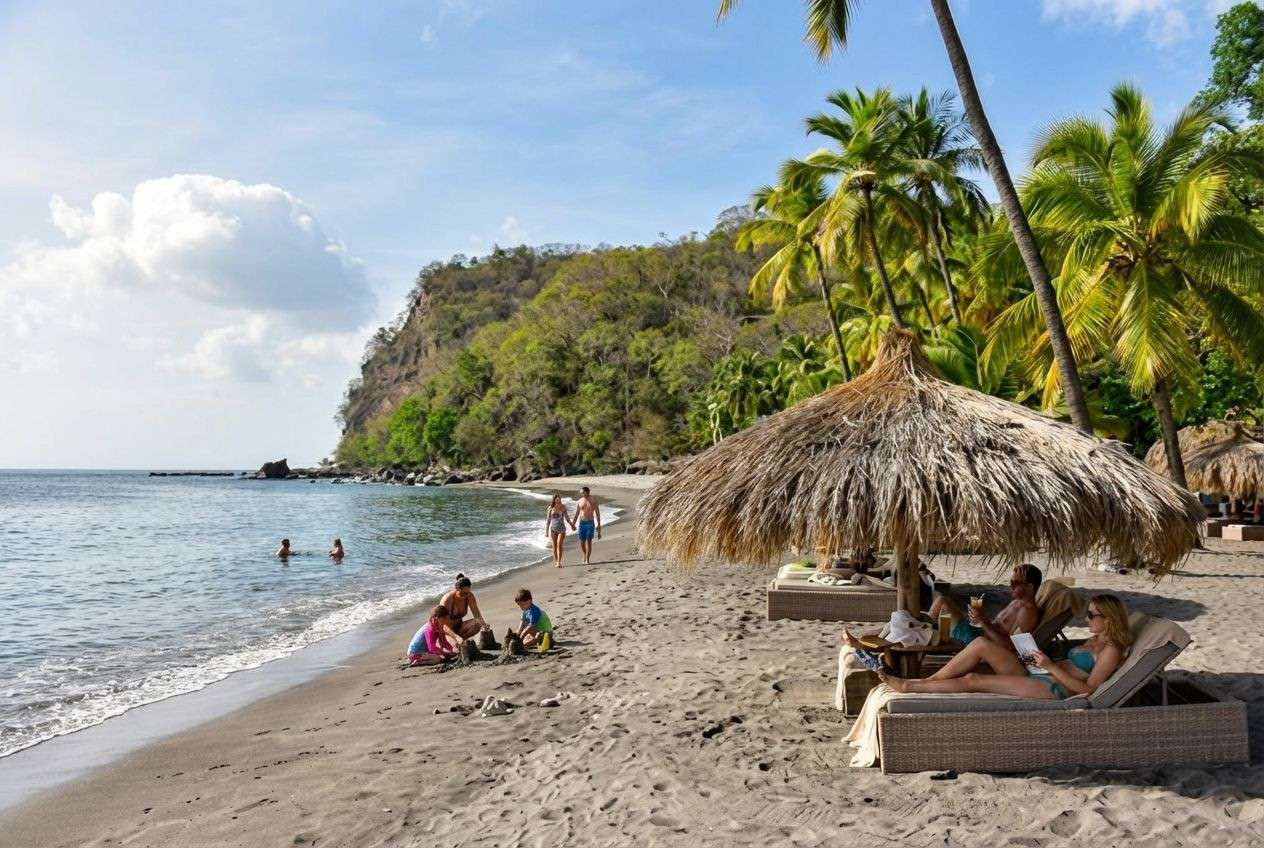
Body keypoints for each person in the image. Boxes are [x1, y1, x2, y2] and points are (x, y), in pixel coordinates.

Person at [880, 594, 1130, 699]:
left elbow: (1089, 691)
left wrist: (1050, 666)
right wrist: (1039, 659)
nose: (1086, 618)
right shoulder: (1095, 640)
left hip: (1053, 688)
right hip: (1040, 671)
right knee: (979, 643)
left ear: (1108, 618)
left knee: (974, 679)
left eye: (1091, 615)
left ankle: (908, 686)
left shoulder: (1110, 651)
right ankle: (927, 681)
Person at [926, 562, 1042, 649]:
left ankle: (925, 632)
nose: (1011, 586)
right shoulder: (1016, 602)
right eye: (1011, 582)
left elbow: (1010, 646)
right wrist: (981, 617)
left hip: (978, 642)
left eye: (1016, 583)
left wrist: (982, 621)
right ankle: (928, 632)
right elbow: (996, 626)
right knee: (942, 603)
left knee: (942, 602)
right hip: (978, 634)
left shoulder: (1027, 613)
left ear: (1030, 587)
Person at [439, 573, 486, 640]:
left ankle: (462, 642)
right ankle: (458, 642)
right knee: (454, 642)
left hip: (458, 628)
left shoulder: (469, 595)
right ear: (457, 589)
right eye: (463, 593)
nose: (466, 595)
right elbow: (444, 625)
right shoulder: (448, 599)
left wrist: (484, 626)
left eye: (468, 592)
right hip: (446, 632)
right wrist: (455, 637)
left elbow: (477, 615)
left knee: (478, 623)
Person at [572, 486, 602, 565]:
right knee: (582, 541)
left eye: (583, 492)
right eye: (581, 493)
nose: (582, 494)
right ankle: (585, 554)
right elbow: (576, 513)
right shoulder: (579, 501)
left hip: (590, 523)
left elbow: (597, 513)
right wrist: (573, 524)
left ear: (588, 492)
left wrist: (599, 528)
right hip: (581, 523)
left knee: (588, 541)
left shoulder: (593, 500)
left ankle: (587, 559)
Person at [545, 493, 573, 568]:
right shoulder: (550, 508)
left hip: (562, 529)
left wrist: (571, 525)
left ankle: (559, 562)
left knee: (559, 545)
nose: (558, 500)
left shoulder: (563, 507)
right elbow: (548, 520)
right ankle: (557, 562)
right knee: (554, 547)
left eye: (559, 498)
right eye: (556, 499)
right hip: (553, 530)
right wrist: (546, 532)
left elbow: (567, 518)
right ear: (554, 500)